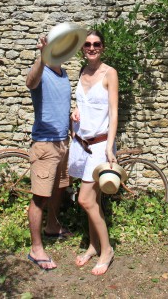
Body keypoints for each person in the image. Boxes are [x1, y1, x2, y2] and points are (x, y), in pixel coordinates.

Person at [68, 29, 119, 276]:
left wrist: (110, 147)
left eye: (96, 43)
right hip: (81, 143)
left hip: (100, 145)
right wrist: (75, 111)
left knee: (85, 199)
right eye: (87, 44)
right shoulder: (82, 72)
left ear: (103, 47)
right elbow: (82, 102)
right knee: (94, 201)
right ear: (82, 48)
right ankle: (92, 245)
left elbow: (114, 110)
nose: (91, 47)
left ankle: (107, 250)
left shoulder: (110, 74)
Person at [26, 36, 71, 270]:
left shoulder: (65, 76)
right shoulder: (42, 71)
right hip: (45, 144)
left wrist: (72, 122)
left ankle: (52, 226)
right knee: (40, 198)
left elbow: (62, 107)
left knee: (59, 188)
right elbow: (30, 82)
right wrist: (41, 58)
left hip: (63, 143)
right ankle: (36, 249)